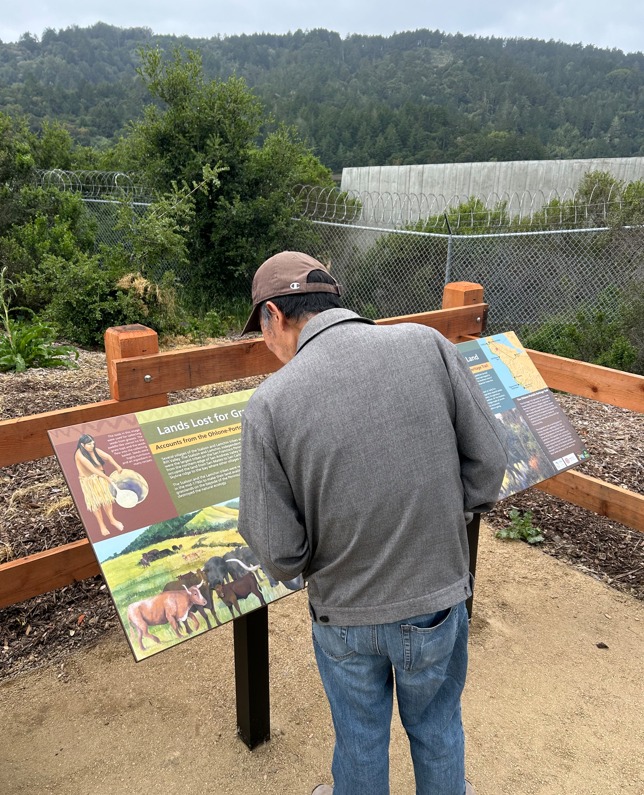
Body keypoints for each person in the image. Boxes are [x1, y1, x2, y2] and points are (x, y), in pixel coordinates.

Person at [237, 251, 508, 795]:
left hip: (345, 615)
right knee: (437, 726)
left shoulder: (267, 406)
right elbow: (489, 467)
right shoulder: (427, 345)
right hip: (437, 596)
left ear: (273, 316)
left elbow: (282, 553)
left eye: (261, 330)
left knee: (359, 737)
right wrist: (441, 518)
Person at [74, 434, 124, 536]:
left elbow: (108, 457)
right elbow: (92, 469)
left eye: (93, 443)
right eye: (89, 444)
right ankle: (102, 525)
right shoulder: (79, 455)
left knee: (107, 499)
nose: (92, 445)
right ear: (82, 445)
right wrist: (107, 478)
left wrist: (117, 466)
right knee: (95, 503)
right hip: (89, 481)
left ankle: (112, 520)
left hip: (101, 478)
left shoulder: (94, 449)